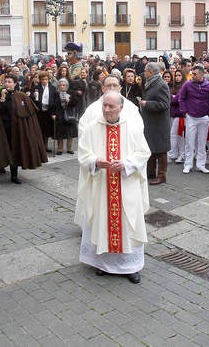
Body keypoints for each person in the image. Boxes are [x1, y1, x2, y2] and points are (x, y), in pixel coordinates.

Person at [75, 92, 150, 284]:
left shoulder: (132, 128)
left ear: (121, 108)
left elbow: (143, 153)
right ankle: (104, 264)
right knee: (102, 222)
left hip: (126, 184)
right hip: (102, 185)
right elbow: (83, 154)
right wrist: (95, 161)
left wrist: (127, 164)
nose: (106, 110)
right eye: (104, 106)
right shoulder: (92, 128)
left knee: (127, 222)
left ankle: (130, 266)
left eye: (111, 107)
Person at [178, 65, 209, 174]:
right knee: (189, 142)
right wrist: (184, 111)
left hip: (204, 117)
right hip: (191, 116)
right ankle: (188, 164)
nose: (192, 75)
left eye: (195, 74)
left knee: (202, 141)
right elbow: (182, 98)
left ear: (201, 74)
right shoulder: (187, 84)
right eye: (192, 73)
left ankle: (201, 164)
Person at [139, 62, 171, 185]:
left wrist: (147, 104)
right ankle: (150, 173)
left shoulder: (161, 84)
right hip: (151, 122)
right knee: (150, 148)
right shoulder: (152, 83)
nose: (144, 73)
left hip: (159, 123)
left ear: (151, 72)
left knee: (161, 150)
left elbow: (164, 104)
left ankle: (162, 176)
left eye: (145, 71)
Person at [55, 78, 79, 155]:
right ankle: (60, 149)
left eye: (63, 85)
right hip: (60, 115)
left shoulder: (71, 93)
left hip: (69, 114)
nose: (62, 86)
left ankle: (69, 148)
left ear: (67, 86)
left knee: (70, 132)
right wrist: (54, 114)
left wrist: (69, 101)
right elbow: (53, 104)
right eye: (60, 85)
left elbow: (76, 102)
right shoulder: (56, 93)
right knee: (60, 133)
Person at [167, 70, 187, 164]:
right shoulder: (174, 86)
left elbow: (176, 100)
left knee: (177, 135)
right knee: (177, 135)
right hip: (174, 113)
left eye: (179, 75)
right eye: (176, 75)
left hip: (180, 114)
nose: (177, 77)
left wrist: (171, 97)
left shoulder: (184, 87)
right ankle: (178, 154)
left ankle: (178, 154)